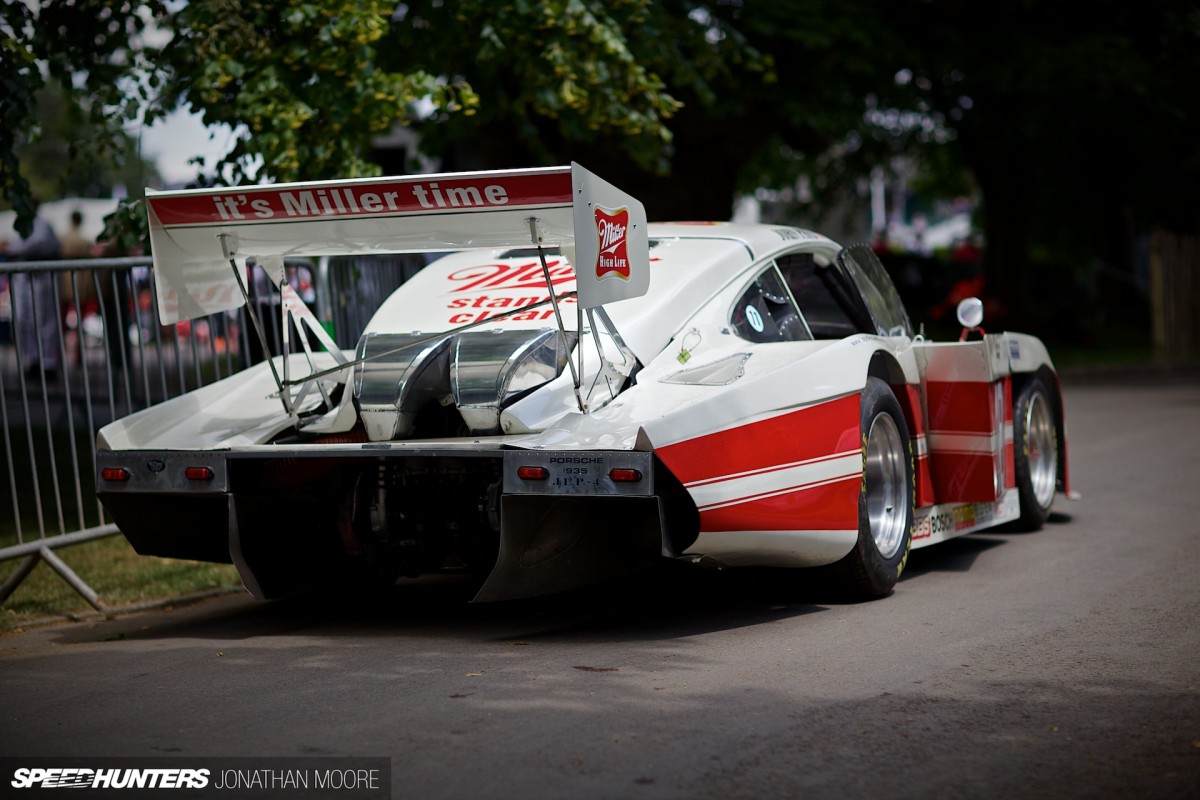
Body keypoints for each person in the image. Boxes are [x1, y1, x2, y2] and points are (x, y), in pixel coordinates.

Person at [2, 199, 62, 378]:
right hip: (24, 279)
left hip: (41, 279)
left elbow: (37, 246)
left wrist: (15, 250)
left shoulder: (43, 226)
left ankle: (47, 362)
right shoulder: (22, 226)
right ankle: (32, 358)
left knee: (44, 320)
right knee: (23, 319)